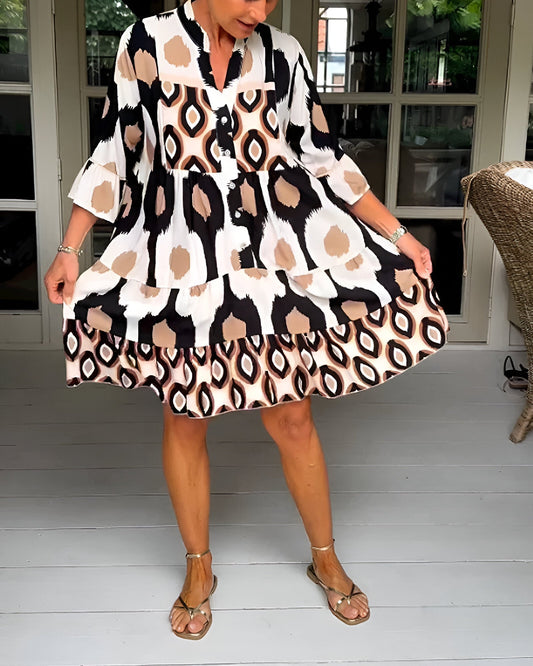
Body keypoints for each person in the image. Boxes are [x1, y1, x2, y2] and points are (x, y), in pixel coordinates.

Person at [44, 0, 448, 641]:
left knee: (292, 417)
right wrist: (71, 247)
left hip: (274, 255)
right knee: (186, 415)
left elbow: (323, 156)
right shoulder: (145, 44)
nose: (259, 10)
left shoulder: (283, 54)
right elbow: (116, 153)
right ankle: (198, 566)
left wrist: (397, 233)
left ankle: (325, 558)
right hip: (181, 258)